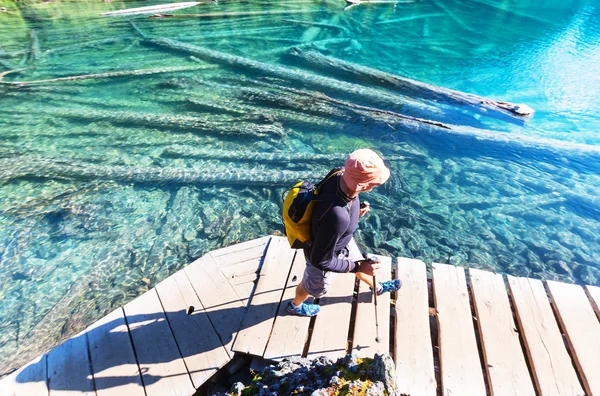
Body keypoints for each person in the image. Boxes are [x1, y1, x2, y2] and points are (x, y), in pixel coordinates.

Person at [287, 149, 402, 317]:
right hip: (323, 255)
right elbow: (320, 261)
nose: (377, 185)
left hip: (341, 240)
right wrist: (356, 266)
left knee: (359, 262)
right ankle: (294, 306)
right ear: (364, 186)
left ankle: (376, 288)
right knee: (311, 286)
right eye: (376, 183)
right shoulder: (337, 217)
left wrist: (356, 210)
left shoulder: (339, 174)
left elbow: (337, 203)